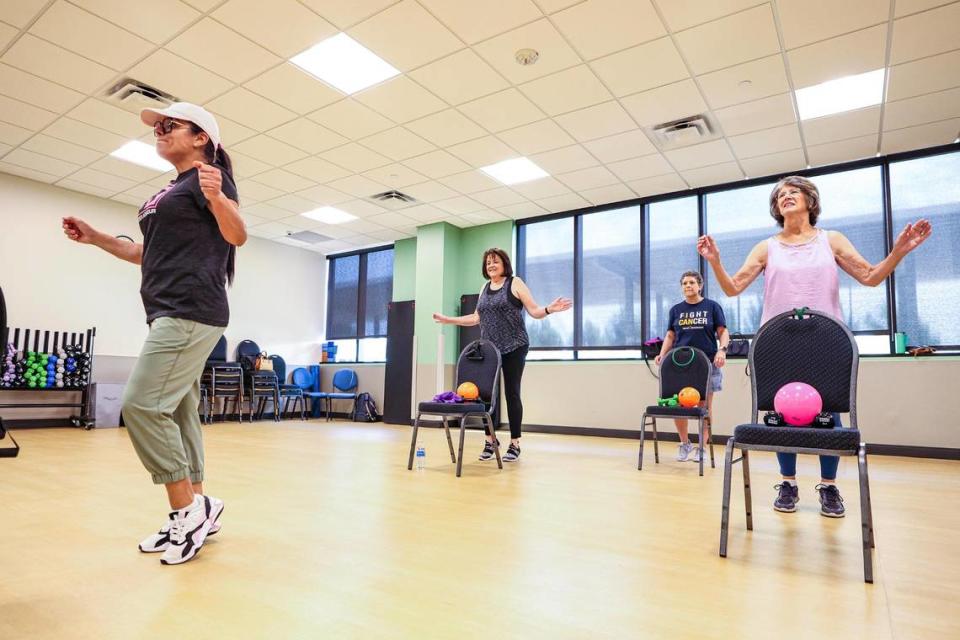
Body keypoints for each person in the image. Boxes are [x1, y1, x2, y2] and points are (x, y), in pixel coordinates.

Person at [62, 103, 246, 564]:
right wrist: (96, 237)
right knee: (180, 411)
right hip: (167, 309)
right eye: (157, 128)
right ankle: (200, 503)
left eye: (169, 126)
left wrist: (220, 198)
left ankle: (187, 510)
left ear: (201, 136)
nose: (158, 132)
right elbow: (146, 253)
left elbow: (237, 235)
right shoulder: (172, 189)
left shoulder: (208, 179)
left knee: (142, 404)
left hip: (190, 309)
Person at [698, 175, 931, 517]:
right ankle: (788, 483)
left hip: (825, 343)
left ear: (810, 200)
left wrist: (897, 252)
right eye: (780, 195)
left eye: (793, 192)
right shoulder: (767, 247)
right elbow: (733, 287)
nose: (786, 197)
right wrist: (715, 260)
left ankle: (829, 487)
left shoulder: (831, 240)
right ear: (776, 208)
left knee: (828, 415)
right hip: (777, 343)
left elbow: (870, 276)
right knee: (779, 414)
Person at [432, 248, 572, 463]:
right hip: (491, 350)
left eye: (495, 261)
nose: (491, 265)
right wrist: (449, 320)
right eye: (488, 262)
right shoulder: (484, 287)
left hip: (515, 346)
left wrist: (550, 309)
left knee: (512, 394)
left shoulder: (515, 283)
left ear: (504, 264)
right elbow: (476, 318)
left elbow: (534, 311)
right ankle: (490, 440)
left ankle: (515, 443)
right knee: (485, 395)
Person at [654, 271, 729, 464]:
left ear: (700, 285)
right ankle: (685, 443)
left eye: (692, 282)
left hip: (706, 363)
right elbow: (670, 335)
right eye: (685, 283)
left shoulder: (712, 307)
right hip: (681, 365)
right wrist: (662, 354)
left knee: (704, 406)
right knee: (679, 405)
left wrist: (722, 350)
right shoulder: (676, 310)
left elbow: (723, 332)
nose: (688, 286)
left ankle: (702, 447)